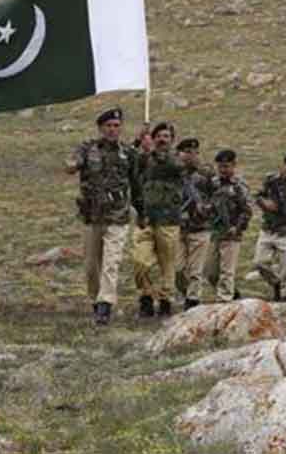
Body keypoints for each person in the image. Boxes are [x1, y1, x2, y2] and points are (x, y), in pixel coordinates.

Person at [66, 107, 143, 326]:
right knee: (92, 267)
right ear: (100, 128)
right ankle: (95, 299)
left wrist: (142, 211)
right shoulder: (87, 148)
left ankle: (105, 305)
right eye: (108, 126)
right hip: (92, 216)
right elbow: (72, 164)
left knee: (111, 262)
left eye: (116, 126)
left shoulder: (128, 153)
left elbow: (136, 185)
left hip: (118, 216)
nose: (112, 129)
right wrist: (71, 165)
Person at [133, 121, 184, 317]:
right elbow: (127, 161)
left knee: (167, 264)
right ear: (153, 139)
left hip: (168, 219)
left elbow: (174, 166)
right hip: (145, 219)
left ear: (172, 140)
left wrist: (153, 152)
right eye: (158, 136)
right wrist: (138, 141)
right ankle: (146, 295)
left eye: (166, 136)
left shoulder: (176, 158)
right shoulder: (145, 158)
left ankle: (165, 300)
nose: (162, 139)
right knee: (140, 261)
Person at [201, 149, 252, 302]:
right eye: (220, 166)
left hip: (232, 233)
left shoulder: (239, 186)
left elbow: (247, 210)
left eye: (226, 166)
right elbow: (206, 201)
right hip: (214, 231)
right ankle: (233, 293)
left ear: (234, 165)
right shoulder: (213, 183)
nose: (223, 170)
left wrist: (237, 227)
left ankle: (224, 300)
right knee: (210, 272)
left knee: (227, 270)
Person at [254, 153, 286, 302]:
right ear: (283, 164)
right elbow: (257, 195)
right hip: (268, 228)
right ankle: (276, 282)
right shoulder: (271, 179)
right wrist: (265, 203)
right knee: (260, 262)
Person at [175, 138, 212, 311]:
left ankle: (193, 299)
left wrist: (206, 208)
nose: (191, 156)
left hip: (200, 226)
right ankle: (185, 292)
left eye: (195, 152)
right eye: (187, 152)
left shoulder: (206, 174)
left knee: (195, 269)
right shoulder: (174, 173)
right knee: (178, 269)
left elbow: (217, 191)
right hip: (178, 226)